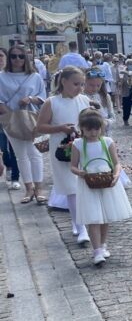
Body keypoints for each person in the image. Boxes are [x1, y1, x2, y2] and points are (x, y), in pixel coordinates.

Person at [69, 109, 132, 266]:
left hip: (106, 182)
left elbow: (116, 162)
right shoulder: (78, 144)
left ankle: (103, 245)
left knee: (105, 216)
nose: (93, 132)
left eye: (96, 129)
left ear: (101, 128)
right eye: (89, 129)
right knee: (94, 217)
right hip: (88, 183)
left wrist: (117, 175)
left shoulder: (107, 142)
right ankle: (96, 250)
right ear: (82, 128)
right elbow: (73, 166)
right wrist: (81, 173)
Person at [36, 66, 92, 243]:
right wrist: (60, 128)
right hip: (62, 148)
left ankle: (79, 223)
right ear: (63, 81)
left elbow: (89, 121)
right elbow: (40, 127)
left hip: (82, 146)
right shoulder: (52, 102)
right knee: (71, 188)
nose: (80, 88)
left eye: (82, 84)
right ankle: (81, 227)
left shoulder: (84, 100)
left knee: (82, 186)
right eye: (76, 84)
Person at [0, 45, 47, 203]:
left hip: (32, 116)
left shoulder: (34, 76)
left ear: (26, 58)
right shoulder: (2, 76)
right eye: (14, 56)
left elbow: (43, 96)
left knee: (35, 153)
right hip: (11, 118)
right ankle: (28, 188)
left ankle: (39, 188)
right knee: (21, 156)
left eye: (21, 56)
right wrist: (7, 112)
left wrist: (31, 98)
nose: (17, 59)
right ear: (9, 58)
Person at [0, 47, 21, 191]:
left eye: (1, 56)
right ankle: (7, 165)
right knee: (2, 146)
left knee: (14, 147)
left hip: (12, 115)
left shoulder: (10, 75)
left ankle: (15, 176)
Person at [82, 69, 116, 134]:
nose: (95, 88)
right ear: (84, 82)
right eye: (91, 85)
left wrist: (106, 122)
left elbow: (112, 117)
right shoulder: (80, 97)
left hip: (104, 134)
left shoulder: (105, 96)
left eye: (98, 85)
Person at [120, 59, 132, 126]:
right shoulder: (122, 72)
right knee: (126, 107)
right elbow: (120, 82)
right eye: (130, 64)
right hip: (126, 92)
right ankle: (126, 120)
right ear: (127, 65)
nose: (131, 65)